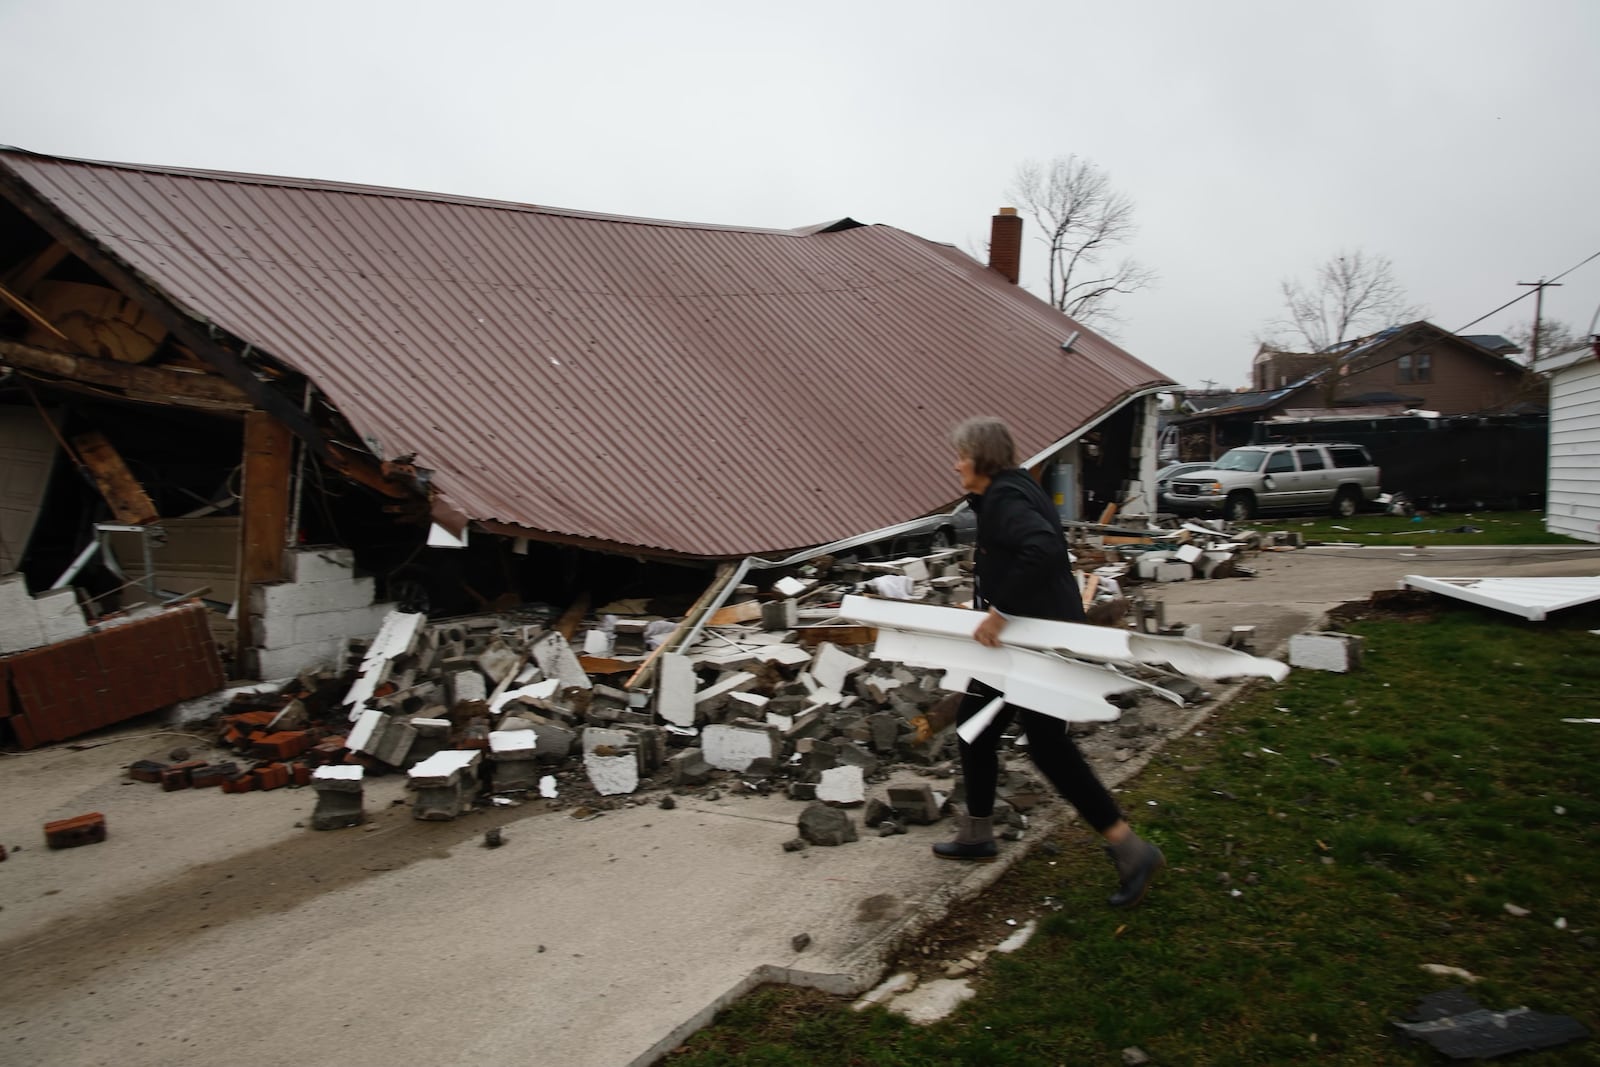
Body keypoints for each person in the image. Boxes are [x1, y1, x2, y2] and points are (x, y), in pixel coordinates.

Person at [934, 415, 1164, 908]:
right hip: (1024, 642)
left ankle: (1130, 848)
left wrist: (999, 612)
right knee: (975, 728)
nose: (955, 465)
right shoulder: (1010, 491)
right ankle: (977, 833)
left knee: (1047, 747)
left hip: (1032, 643)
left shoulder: (1004, 499)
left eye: (960, 456)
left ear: (979, 459)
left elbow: (1041, 549)